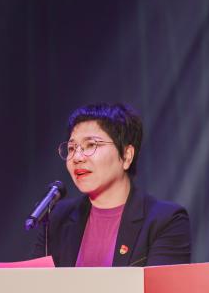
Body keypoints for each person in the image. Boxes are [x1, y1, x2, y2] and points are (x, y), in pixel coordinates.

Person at [33, 103, 191, 266]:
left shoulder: (165, 221)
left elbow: (160, 283)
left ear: (127, 155)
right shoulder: (57, 218)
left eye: (91, 145)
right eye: (72, 148)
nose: (77, 158)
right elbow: (36, 281)